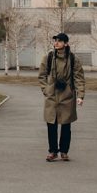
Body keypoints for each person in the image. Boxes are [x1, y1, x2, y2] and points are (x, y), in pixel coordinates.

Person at [38, 32, 85, 162]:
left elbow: (79, 78)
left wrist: (80, 95)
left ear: (66, 43)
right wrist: (46, 90)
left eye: (59, 41)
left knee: (66, 125)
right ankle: (53, 151)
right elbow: (41, 76)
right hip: (51, 96)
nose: (56, 43)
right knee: (51, 124)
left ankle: (64, 151)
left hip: (67, 96)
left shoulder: (73, 59)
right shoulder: (48, 58)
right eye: (55, 41)